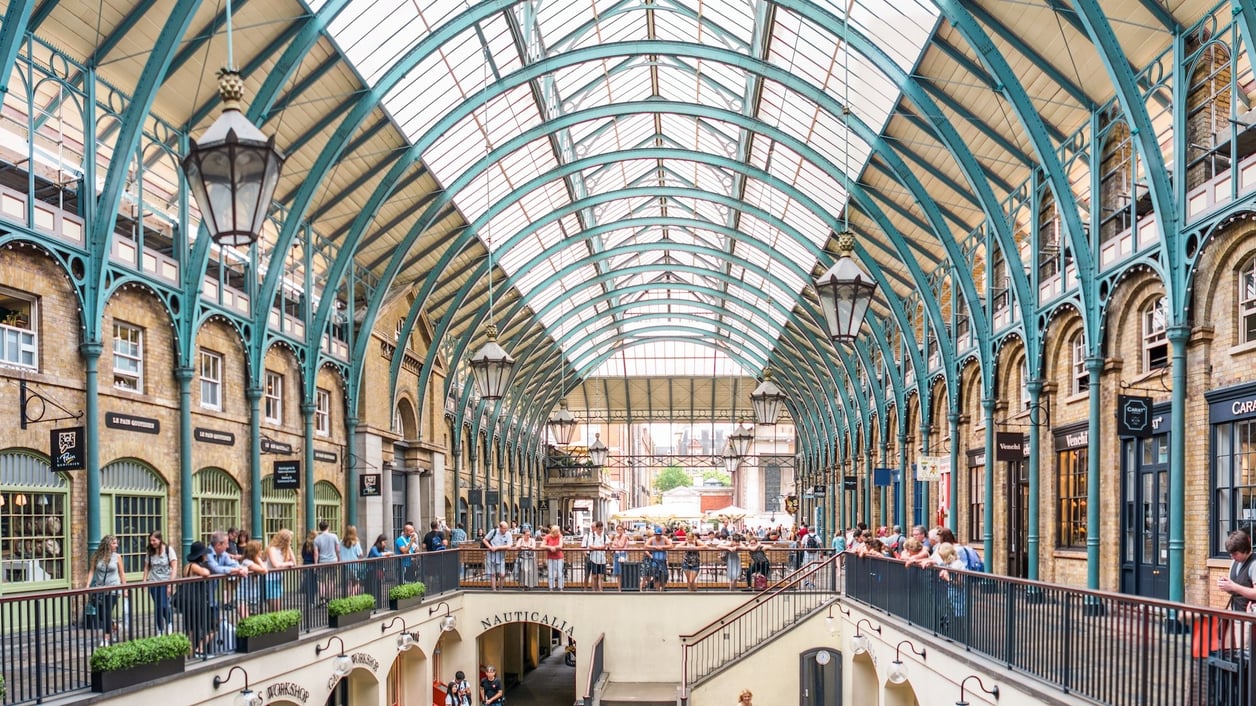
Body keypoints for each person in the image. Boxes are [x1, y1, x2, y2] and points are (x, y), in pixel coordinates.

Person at [88, 535, 125, 646]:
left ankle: (106, 638)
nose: (116, 545)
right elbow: (91, 571)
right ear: (107, 544)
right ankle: (114, 626)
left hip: (113, 588)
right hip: (100, 588)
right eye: (114, 543)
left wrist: (125, 588)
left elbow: (121, 573)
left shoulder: (117, 557)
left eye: (116, 543)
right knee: (100, 614)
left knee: (107, 612)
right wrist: (87, 585)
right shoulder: (96, 556)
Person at [182, 541, 216, 658]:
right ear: (200, 555)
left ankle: (190, 654)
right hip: (197, 602)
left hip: (189, 602)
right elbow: (206, 573)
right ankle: (200, 650)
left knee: (191, 629)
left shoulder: (187, 566)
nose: (206, 556)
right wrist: (206, 565)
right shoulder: (195, 566)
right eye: (204, 554)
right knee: (212, 629)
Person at [142, 530, 176, 634]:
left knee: (164, 605)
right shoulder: (150, 552)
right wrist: (144, 581)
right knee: (158, 606)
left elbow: (174, 567)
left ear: (160, 539)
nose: (152, 543)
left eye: (154, 540)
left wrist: (170, 584)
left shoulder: (168, 550)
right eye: (150, 541)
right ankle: (159, 629)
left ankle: (169, 623)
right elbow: (147, 567)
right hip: (154, 582)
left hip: (165, 582)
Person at [1219, 529, 1256, 611]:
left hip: (1250, 617)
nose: (1232, 557)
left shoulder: (1254, 564)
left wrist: (1233, 586)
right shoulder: (1234, 563)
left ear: (1245, 550)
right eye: (1231, 554)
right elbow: (1234, 590)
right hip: (1236, 614)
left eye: (1235, 554)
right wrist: (1226, 585)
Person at [265, 529, 297, 609]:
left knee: (278, 606)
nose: (290, 542)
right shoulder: (271, 548)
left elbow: (294, 562)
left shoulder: (283, 550)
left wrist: (289, 547)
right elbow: (275, 564)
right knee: (274, 607)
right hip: (270, 580)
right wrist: (287, 564)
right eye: (289, 541)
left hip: (278, 579)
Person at [238, 540, 269, 618]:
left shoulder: (255, 562)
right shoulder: (246, 562)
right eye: (260, 549)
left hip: (254, 595)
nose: (261, 551)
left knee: (253, 619)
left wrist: (257, 559)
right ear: (254, 551)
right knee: (246, 620)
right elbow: (264, 570)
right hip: (243, 596)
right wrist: (257, 558)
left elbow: (265, 569)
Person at [313, 520, 341, 601]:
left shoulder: (317, 538)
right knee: (331, 580)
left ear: (320, 528)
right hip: (333, 561)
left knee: (321, 581)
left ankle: (323, 596)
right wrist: (339, 560)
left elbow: (316, 553)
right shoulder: (334, 536)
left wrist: (315, 565)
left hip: (322, 562)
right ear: (328, 527)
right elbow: (338, 550)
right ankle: (329, 597)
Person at [483, 521, 513, 591]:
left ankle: (500, 589)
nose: (505, 530)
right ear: (500, 527)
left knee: (502, 574)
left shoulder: (508, 534)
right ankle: (494, 590)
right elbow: (485, 540)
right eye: (504, 528)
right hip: (491, 555)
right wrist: (490, 547)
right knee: (492, 574)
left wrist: (497, 548)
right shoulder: (493, 532)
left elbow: (509, 546)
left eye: (506, 528)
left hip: (501, 556)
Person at [642, 526, 672, 591]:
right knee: (656, 575)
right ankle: (657, 590)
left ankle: (663, 589)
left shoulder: (664, 538)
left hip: (663, 560)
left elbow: (670, 545)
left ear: (661, 534)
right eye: (656, 534)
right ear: (655, 534)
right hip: (654, 560)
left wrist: (662, 547)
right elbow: (645, 545)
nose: (658, 536)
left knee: (664, 575)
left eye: (659, 535)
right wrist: (655, 547)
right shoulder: (652, 539)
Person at [366, 533, 392, 604]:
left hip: (377, 570)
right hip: (371, 570)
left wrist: (388, 553)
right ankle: (373, 602)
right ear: (380, 541)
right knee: (372, 587)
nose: (385, 544)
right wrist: (386, 554)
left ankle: (378, 602)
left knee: (378, 586)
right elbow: (377, 555)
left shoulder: (382, 549)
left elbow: (389, 552)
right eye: (384, 542)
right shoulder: (374, 548)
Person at [583, 521, 608, 591]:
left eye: (601, 529)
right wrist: (601, 547)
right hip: (592, 558)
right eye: (599, 528)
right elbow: (590, 546)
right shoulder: (590, 536)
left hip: (602, 559)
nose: (600, 530)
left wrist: (600, 547)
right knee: (592, 575)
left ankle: (600, 589)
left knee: (601, 575)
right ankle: (591, 590)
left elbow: (607, 545)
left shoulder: (604, 536)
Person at [341, 525, 364, 594]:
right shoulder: (356, 542)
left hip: (344, 565)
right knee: (356, 582)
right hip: (354, 565)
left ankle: (348, 597)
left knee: (348, 583)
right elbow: (360, 554)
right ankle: (353, 596)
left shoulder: (341, 542)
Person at [514, 525, 538, 590]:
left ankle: (530, 585)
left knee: (530, 571)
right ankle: (523, 585)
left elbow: (533, 547)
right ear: (523, 535)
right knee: (523, 570)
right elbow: (517, 546)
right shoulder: (520, 540)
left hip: (531, 557)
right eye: (527, 535)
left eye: (529, 535)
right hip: (523, 557)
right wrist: (522, 545)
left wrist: (527, 546)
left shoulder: (532, 540)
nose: (528, 536)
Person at [543, 525, 565, 591]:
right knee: (550, 573)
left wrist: (554, 547)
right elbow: (542, 545)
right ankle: (551, 587)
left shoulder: (560, 536)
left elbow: (560, 545)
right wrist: (550, 547)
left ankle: (560, 587)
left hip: (559, 557)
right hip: (550, 557)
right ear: (553, 532)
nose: (558, 532)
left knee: (559, 573)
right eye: (557, 531)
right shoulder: (547, 537)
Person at [610, 524, 631, 588]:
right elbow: (613, 545)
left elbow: (621, 546)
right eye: (618, 529)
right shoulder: (616, 536)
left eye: (620, 529)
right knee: (618, 572)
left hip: (622, 554)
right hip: (616, 554)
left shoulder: (625, 536)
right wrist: (616, 545)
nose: (619, 531)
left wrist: (616, 544)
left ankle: (624, 587)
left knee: (622, 571)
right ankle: (619, 588)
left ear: (623, 530)